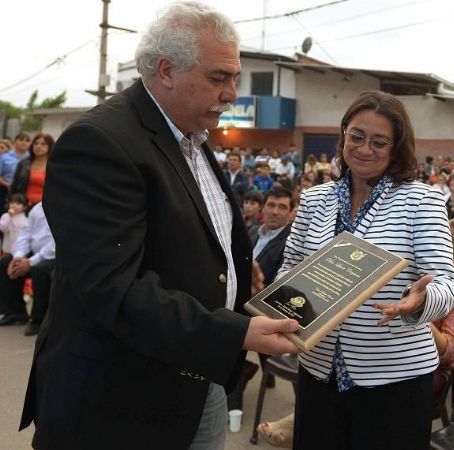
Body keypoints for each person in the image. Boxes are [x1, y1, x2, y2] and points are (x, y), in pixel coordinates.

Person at [20, 4, 302, 449]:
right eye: (218, 77)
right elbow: (115, 288)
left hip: (196, 378)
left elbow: (193, 240)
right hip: (119, 400)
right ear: (167, 71)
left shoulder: (192, 135)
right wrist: (235, 333)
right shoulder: (100, 143)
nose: (231, 93)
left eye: (236, 78)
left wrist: (239, 277)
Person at [278, 90, 454, 450]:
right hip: (318, 368)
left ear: (396, 148)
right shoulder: (315, 200)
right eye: (356, 136)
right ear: (343, 134)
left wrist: (418, 303)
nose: (364, 148)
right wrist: (283, 309)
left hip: (394, 379)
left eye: (379, 142)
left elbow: (446, 285)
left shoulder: (421, 200)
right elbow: (289, 270)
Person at [0, 202, 55, 336]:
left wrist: (30, 262)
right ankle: (15, 312)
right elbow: (25, 235)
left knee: (40, 269)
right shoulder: (37, 208)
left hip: (55, 255)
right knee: (5, 263)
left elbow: (57, 242)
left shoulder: (66, 207)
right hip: (35, 253)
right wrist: (18, 257)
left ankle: (39, 319)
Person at [249, 186, 295, 285]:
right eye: (271, 205)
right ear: (262, 208)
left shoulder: (291, 244)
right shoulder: (252, 231)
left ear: (291, 213)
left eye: (282, 207)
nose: (275, 212)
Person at [0, 133, 31, 208]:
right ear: (14, 142)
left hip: (26, 191)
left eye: (27, 140)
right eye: (21, 140)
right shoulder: (4, 157)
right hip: (5, 191)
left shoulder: (32, 158)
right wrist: (7, 184)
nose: (24, 142)